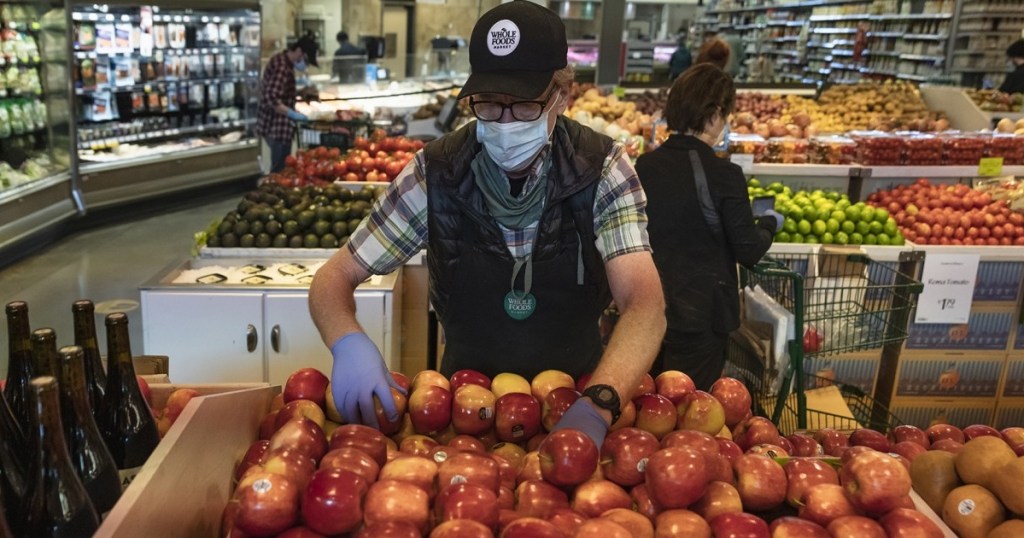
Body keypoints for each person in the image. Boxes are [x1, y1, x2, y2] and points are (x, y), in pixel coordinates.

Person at [309, 1, 666, 448]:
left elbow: (645, 306)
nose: (504, 124)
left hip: (576, 401)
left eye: (523, 107)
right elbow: (333, 277)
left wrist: (600, 403)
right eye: (489, 106)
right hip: (461, 411)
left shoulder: (602, 170)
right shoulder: (437, 171)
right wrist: (347, 340)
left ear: (562, 95)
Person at [634, 64, 781, 391]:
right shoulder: (723, 174)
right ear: (714, 114)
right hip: (702, 316)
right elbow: (749, 249)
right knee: (689, 406)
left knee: (646, 403)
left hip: (650, 311)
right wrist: (771, 223)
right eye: (726, 114)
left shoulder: (645, 165)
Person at [256, 35, 318, 173]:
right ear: (299, 52)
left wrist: (300, 92)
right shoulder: (282, 67)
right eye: (306, 61)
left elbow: (280, 92)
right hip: (277, 126)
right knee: (279, 170)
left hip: (276, 125)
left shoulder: (283, 61)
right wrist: (292, 114)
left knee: (283, 168)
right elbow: (272, 98)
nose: (305, 65)